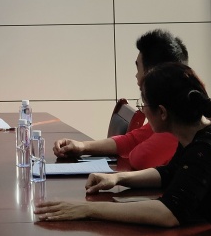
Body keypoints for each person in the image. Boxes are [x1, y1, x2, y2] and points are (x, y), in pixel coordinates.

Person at [35, 63, 211, 230]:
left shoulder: (205, 149)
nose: (143, 111)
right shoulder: (202, 132)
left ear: (162, 112)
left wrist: (88, 209)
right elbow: (170, 172)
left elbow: (168, 214)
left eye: (144, 105)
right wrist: (117, 178)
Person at [53, 29, 189, 169]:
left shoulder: (178, 122)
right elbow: (132, 140)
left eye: (138, 68)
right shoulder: (173, 109)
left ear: (153, 74)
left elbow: (140, 158)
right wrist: (82, 146)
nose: (136, 76)